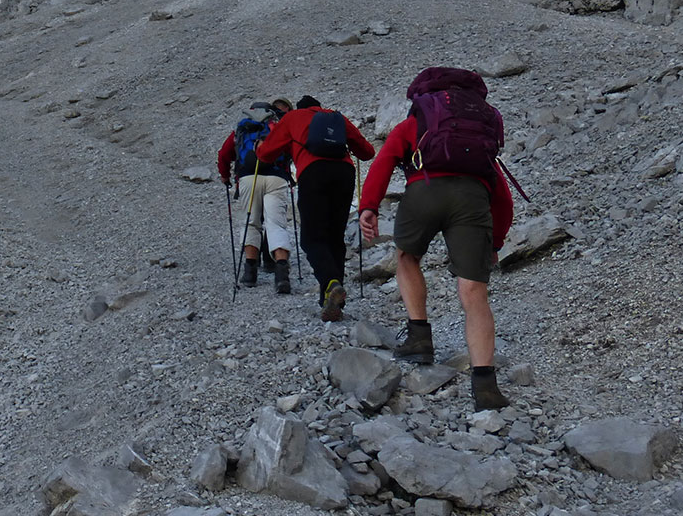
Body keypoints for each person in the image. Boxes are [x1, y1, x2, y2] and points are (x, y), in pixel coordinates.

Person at [357, 67, 514, 410]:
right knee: (474, 291)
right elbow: (502, 195)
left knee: (407, 256)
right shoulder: (478, 129)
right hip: (473, 201)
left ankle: (419, 337)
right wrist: (495, 243)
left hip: (423, 192)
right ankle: (486, 386)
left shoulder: (419, 121)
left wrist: (369, 206)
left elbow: (384, 161)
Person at [256, 95, 375, 320]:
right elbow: (367, 152)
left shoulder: (292, 118)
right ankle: (330, 303)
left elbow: (266, 154)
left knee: (311, 238)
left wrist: (258, 147)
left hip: (313, 173)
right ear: (318, 107)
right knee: (334, 237)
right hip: (344, 173)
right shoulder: (336, 117)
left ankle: (331, 284)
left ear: (300, 108)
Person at [216, 101, 295, 293]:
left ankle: (250, 271)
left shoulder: (242, 129)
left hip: (248, 178)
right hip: (276, 178)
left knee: (251, 222)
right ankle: (281, 273)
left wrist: (225, 176)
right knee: (276, 224)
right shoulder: (276, 127)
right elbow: (291, 152)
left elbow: (224, 155)